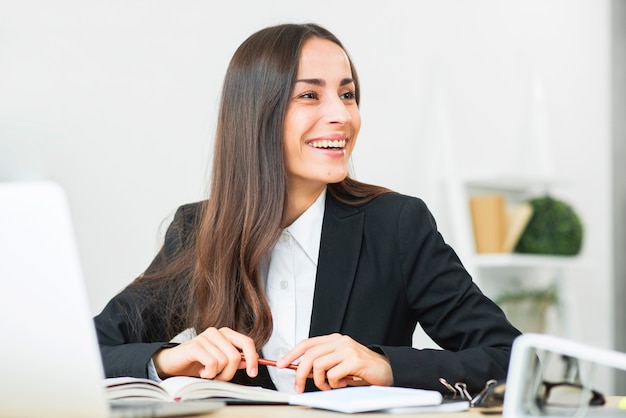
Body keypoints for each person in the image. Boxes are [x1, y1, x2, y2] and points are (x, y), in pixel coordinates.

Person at [94, 22, 521, 395]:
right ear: (257, 115)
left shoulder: (396, 225)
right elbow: (87, 349)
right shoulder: (199, 231)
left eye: (348, 94)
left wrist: (387, 366)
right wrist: (169, 359)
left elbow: (513, 359)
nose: (342, 115)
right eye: (310, 95)